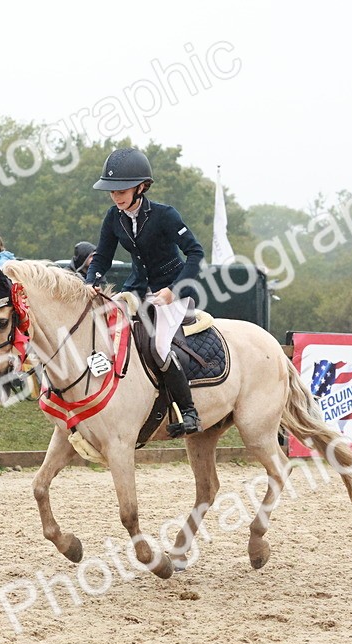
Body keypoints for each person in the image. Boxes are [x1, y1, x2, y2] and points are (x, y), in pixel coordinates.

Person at [82, 146, 206, 436]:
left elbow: (196, 253)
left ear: (141, 187)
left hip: (172, 291)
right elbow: (101, 257)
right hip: (136, 291)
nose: (116, 196)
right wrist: (92, 279)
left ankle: (189, 412)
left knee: (159, 346)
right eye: (112, 191)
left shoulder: (165, 215)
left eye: (121, 189)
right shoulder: (114, 218)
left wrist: (173, 291)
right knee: (104, 330)